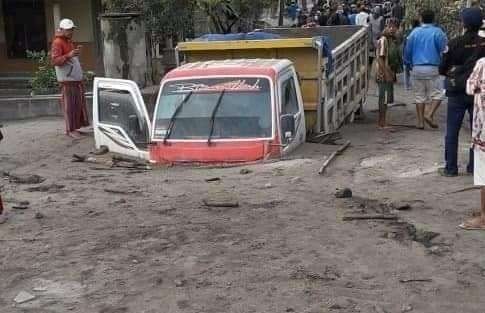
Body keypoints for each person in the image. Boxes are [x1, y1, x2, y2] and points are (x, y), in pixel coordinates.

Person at [438, 8, 485, 177]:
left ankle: (451, 168)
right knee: (477, 130)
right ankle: (475, 167)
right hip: (478, 93)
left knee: (452, 130)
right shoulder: (483, 43)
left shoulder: (454, 43)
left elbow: (442, 68)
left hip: (457, 91)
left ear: (463, 23)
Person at [404, 10, 448, 130]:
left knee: (419, 95)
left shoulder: (414, 32)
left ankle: (420, 122)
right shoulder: (438, 32)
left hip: (417, 67)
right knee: (438, 94)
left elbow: (407, 51)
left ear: (421, 19)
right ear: (434, 19)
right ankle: (429, 114)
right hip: (433, 67)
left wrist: (408, 64)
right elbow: (444, 49)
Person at [51, 18, 89, 139]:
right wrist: (69, 55)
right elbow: (55, 60)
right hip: (67, 80)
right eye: (68, 30)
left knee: (77, 104)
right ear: (61, 30)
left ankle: (75, 127)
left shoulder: (68, 41)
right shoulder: (57, 42)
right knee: (69, 105)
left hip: (73, 78)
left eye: (71, 29)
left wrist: (74, 53)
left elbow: (68, 57)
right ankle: (70, 129)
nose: (71, 32)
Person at [460, 56, 485, 230]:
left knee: (484, 175)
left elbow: (470, 87)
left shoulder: (483, 63)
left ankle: (484, 218)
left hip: (483, 131)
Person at [375, 20, 400, 129]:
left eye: (394, 27)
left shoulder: (392, 40)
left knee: (385, 98)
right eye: (389, 27)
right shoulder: (383, 40)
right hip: (383, 74)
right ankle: (382, 123)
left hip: (389, 72)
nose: (392, 29)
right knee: (383, 98)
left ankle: (383, 121)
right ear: (385, 27)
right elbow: (380, 59)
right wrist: (386, 73)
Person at [403, 19, 420, 90]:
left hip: (407, 53)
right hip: (416, 54)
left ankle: (407, 86)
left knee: (406, 70)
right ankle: (417, 86)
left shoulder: (407, 32)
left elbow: (404, 42)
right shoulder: (419, 32)